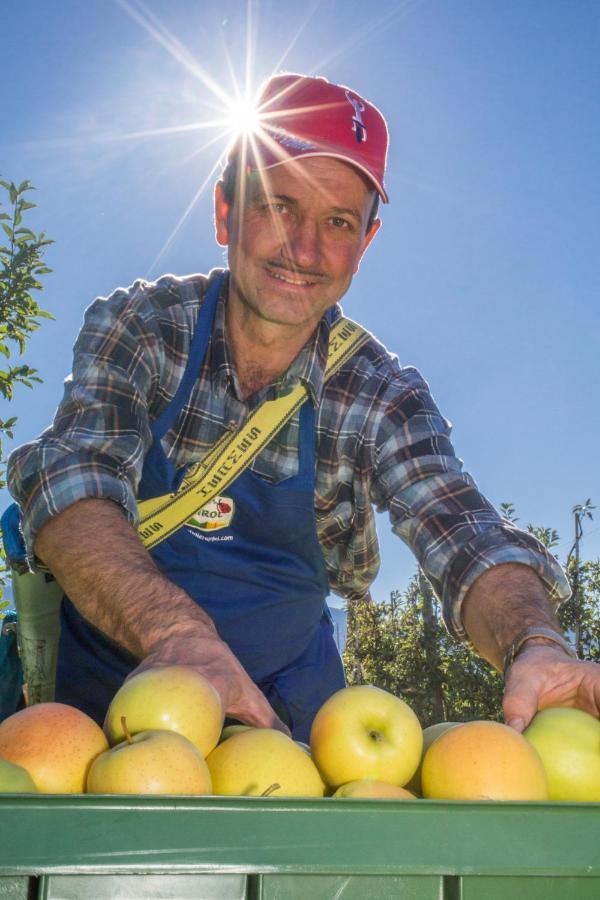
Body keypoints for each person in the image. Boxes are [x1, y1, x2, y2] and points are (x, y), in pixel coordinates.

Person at [7, 73, 600, 742]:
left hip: (293, 714)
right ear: (226, 211)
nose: (306, 248)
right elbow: (73, 484)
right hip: (117, 702)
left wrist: (535, 640)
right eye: (280, 205)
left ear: (365, 243)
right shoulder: (144, 327)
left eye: (338, 221)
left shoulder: (380, 392)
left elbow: (460, 527)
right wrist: (176, 636)